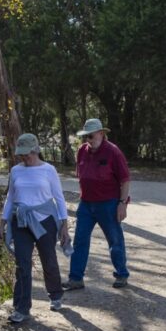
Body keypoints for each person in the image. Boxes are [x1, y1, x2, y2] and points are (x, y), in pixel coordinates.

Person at [0, 133, 71, 323]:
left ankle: (55, 295)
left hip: (44, 220)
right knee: (22, 265)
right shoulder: (15, 170)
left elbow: (59, 198)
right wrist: (3, 222)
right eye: (21, 154)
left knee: (49, 260)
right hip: (21, 221)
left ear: (36, 150)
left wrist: (64, 225)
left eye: (27, 154)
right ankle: (21, 308)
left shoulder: (49, 170)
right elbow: (10, 198)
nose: (24, 158)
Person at [62, 118, 131, 290]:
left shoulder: (113, 152)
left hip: (108, 203)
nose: (88, 140)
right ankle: (76, 278)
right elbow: (81, 176)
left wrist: (122, 203)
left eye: (91, 136)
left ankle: (121, 274)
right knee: (80, 240)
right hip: (86, 203)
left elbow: (125, 180)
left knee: (115, 240)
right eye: (86, 137)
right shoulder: (82, 151)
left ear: (101, 134)